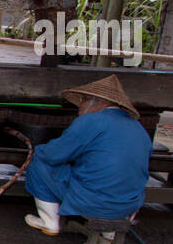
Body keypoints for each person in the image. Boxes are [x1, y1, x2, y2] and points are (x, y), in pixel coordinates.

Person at [23, 75, 154, 235]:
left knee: (40, 162)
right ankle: (109, 233)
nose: (80, 106)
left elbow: (53, 155)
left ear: (99, 101)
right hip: (129, 204)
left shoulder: (93, 121)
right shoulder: (138, 128)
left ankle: (49, 222)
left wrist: (40, 149)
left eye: (84, 100)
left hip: (93, 201)